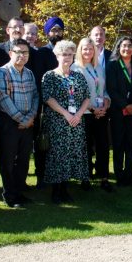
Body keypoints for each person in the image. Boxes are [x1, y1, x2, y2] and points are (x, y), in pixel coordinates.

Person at [42, 40, 90, 203]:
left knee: (70, 154)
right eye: (64, 54)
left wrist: (78, 115)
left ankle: (65, 189)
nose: (67, 57)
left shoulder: (78, 75)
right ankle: (56, 191)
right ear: (57, 55)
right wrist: (66, 114)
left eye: (70, 54)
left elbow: (87, 97)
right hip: (57, 122)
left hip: (75, 122)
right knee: (57, 155)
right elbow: (48, 98)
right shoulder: (50, 76)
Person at [0, 39, 39, 208]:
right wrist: (22, 119)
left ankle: (19, 192)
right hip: (10, 123)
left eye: (25, 52)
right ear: (10, 53)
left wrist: (31, 117)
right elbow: (3, 98)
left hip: (28, 123)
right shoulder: (2, 72)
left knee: (23, 160)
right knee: (7, 160)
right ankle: (9, 195)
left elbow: (35, 95)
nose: (21, 55)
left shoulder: (29, 73)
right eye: (18, 52)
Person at [72, 37, 112, 192]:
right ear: (80, 50)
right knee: (86, 146)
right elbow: (76, 94)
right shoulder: (76, 68)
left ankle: (104, 177)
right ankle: (85, 177)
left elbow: (104, 90)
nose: (88, 51)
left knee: (103, 145)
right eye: (84, 48)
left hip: (101, 113)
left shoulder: (99, 68)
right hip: (85, 113)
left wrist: (106, 103)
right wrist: (92, 108)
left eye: (90, 49)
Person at [106, 36, 132, 186]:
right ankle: (119, 175)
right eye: (124, 46)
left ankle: (129, 174)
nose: (127, 49)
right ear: (119, 48)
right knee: (119, 143)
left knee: (131, 144)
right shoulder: (112, 65)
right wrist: (125, 105)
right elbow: (111, 89)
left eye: (129, 46)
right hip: (118, 111)